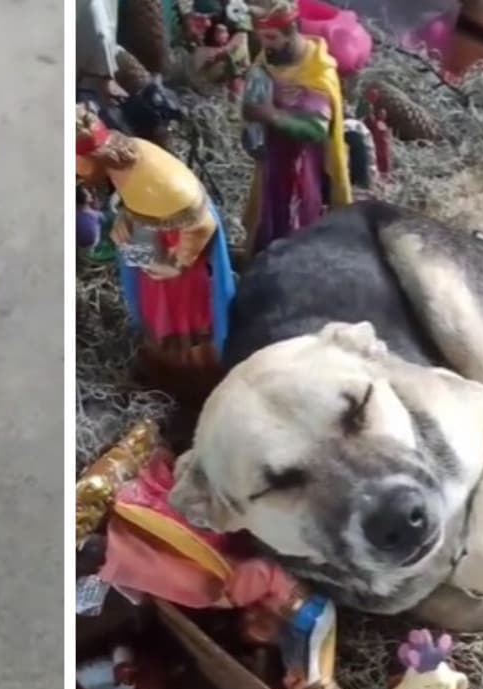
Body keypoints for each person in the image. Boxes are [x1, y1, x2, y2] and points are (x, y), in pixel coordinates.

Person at [74, 105, 235, 402]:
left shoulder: (161, 185)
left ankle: (194, 384)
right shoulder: (126, 160)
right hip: (155, 248)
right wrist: (126, 219)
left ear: (93, 156)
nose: (75, 174)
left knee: (179, 322)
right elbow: (139, 204)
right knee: (155, 312)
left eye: (76, 165)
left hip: (181, 267)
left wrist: (177, 263)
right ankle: (165, 370)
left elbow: (202, 224)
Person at [240, 0, 352, 254]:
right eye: (261, 37)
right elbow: (254, 103)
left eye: (271, 37)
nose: (265, 45)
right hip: (272, 164)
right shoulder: (267, 61)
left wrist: (271, 115)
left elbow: (315, 130)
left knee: (299, 231)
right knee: (267, 222)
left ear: (291, 34)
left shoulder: (316, 72)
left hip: (305, 170)